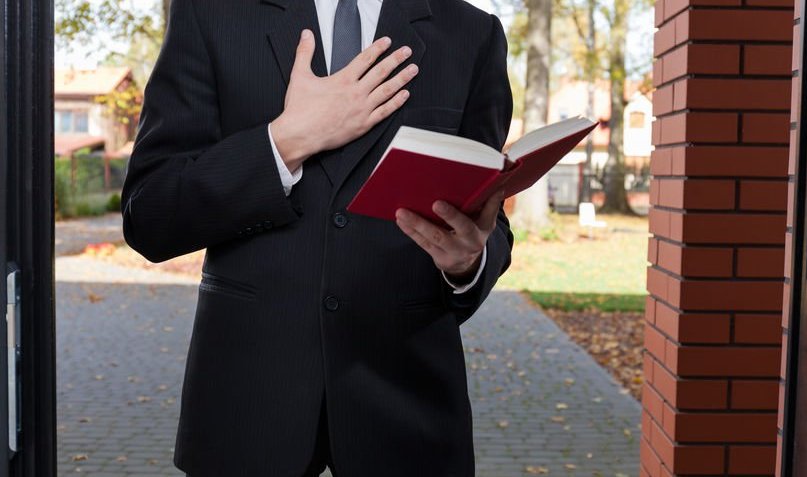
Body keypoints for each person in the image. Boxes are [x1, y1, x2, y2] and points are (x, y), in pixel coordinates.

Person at [120, 0, 514, 475]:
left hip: (410, 413)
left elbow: (488, 215)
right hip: (247, 408)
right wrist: (285, 142)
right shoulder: (211, 13)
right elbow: (150, 214)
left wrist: (467, 264)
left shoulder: (472, 32)